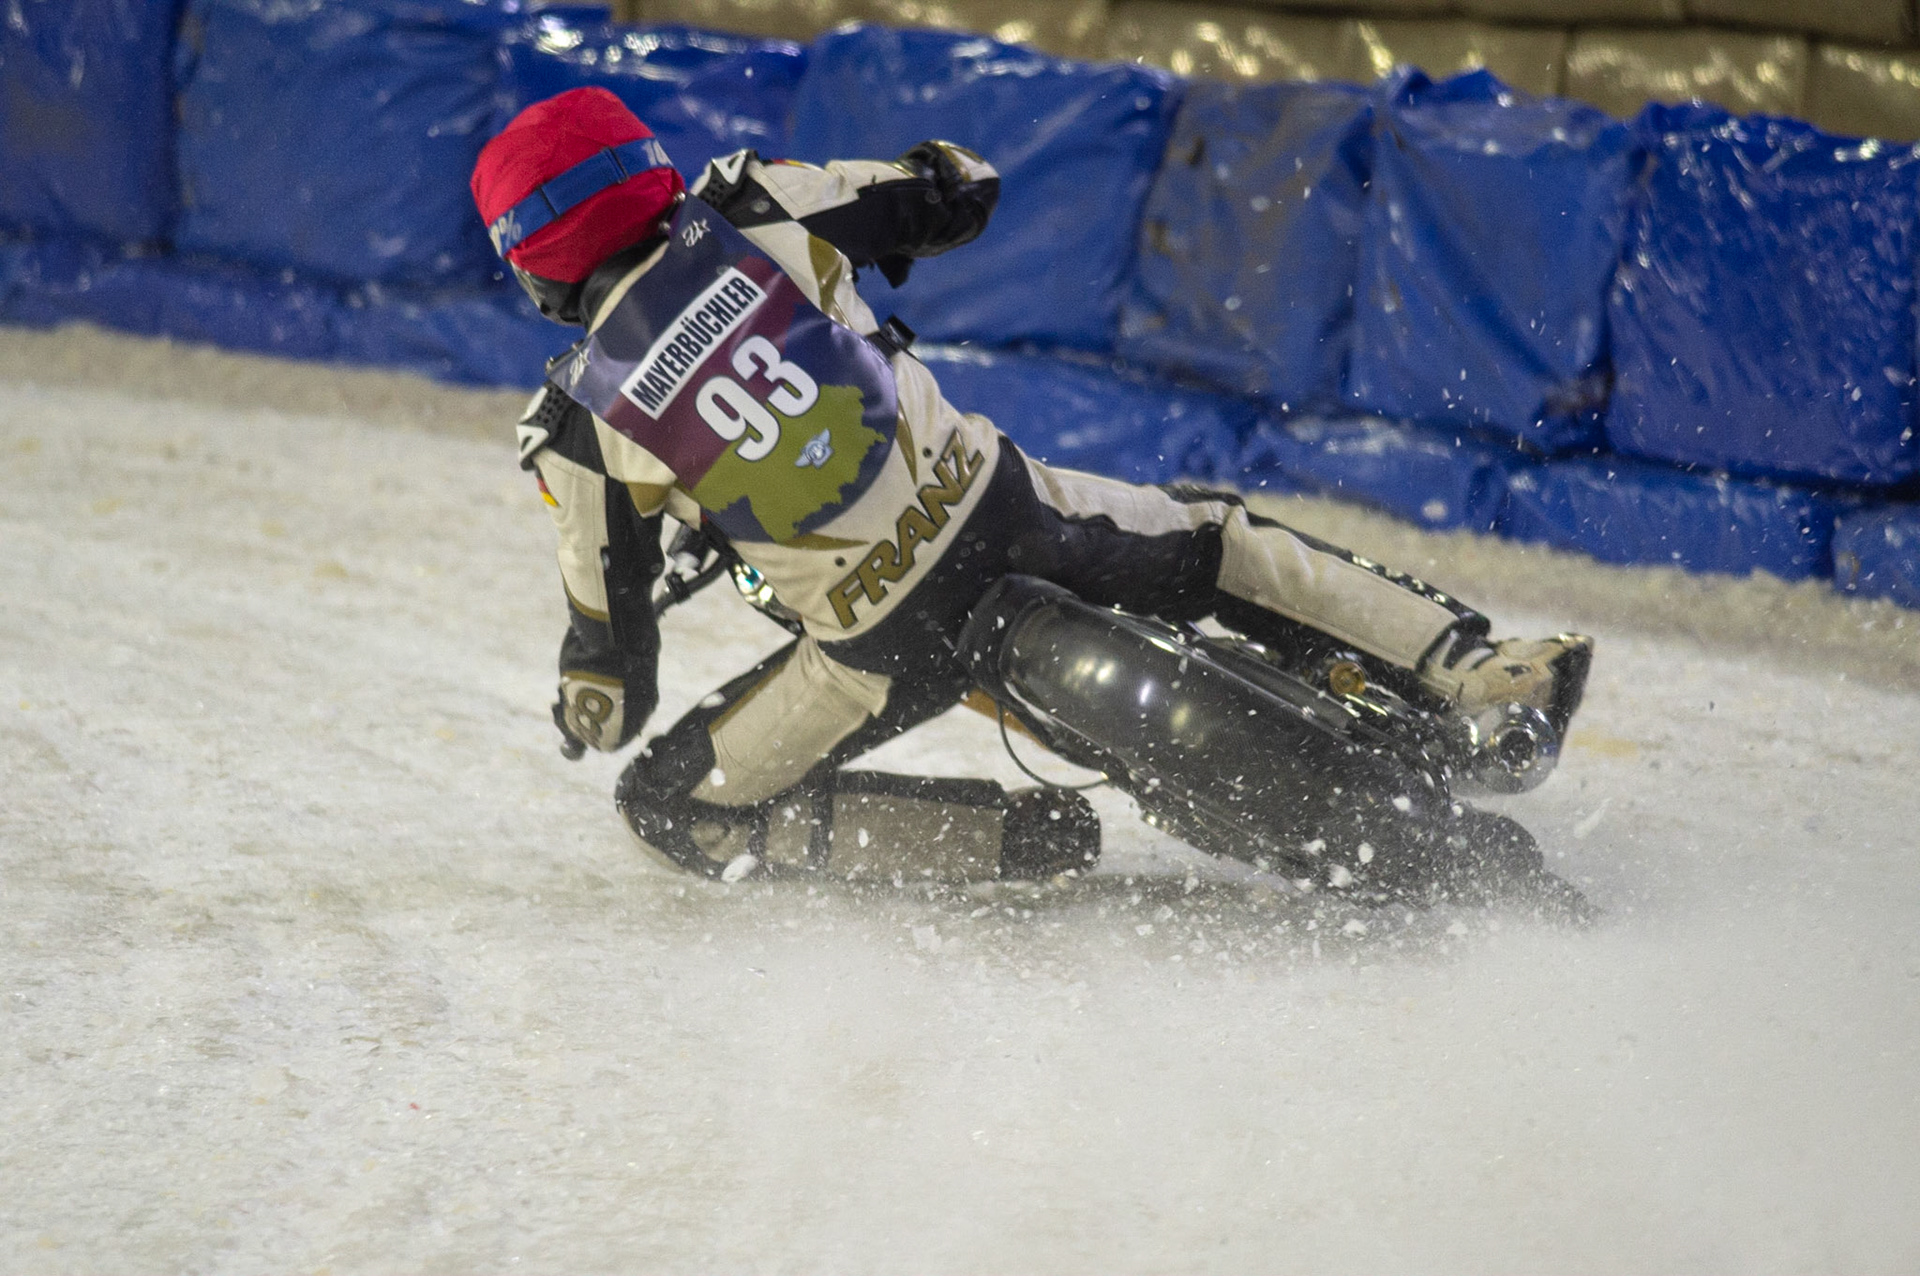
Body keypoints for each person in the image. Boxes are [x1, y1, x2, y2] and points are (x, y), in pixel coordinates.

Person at [470, 87, 1593, 884]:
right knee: (1217, 543)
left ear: (532, 260)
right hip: (1006, 514)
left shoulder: (580, 427)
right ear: (649, 169)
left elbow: (609, 658)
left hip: (877, 648)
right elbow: (949, 193)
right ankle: (1483, 672)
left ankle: (1005, 842)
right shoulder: (760, 208)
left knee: (669, 806)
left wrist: (589, 703)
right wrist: (939, 179)